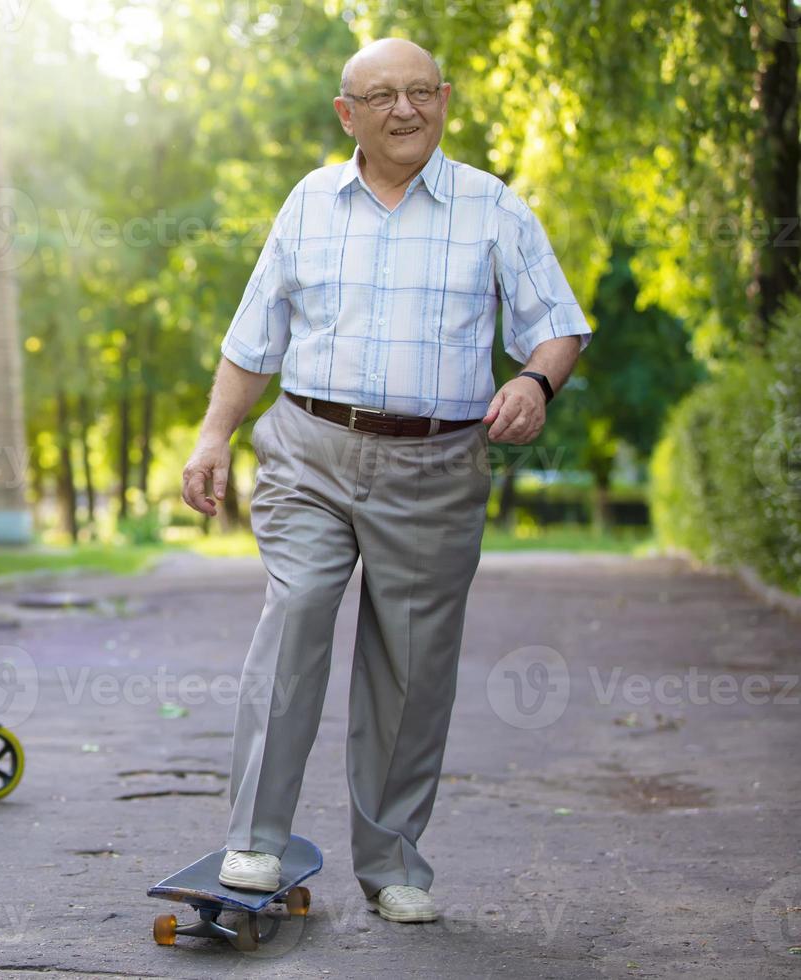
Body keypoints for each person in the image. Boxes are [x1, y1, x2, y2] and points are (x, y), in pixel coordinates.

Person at [180, 38, 591, 922]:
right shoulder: (309, 203)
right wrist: (215, 433)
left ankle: (393, 860)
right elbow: (254, 339)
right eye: (383, 96)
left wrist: (534, 379)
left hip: (437, 465)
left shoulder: (491, 206)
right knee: (294, 617)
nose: (406, 110)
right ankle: (254, 840)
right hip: (311, 450)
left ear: (444, 98)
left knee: (410, 668)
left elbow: (557, 324)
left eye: (421, 93)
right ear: (347, 114)